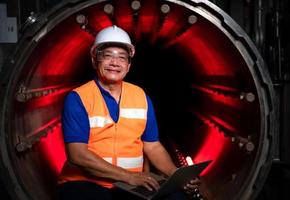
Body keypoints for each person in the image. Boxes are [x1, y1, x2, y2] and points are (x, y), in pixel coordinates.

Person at [58, 25, 200, 200]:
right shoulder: (78, 98)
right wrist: (129, 176)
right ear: (95, 60)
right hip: (85, 183)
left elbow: (152, 146)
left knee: (176, 198)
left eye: (122, 58)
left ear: (128, 65)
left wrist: (177, 175)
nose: (115, 63)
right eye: (108, 56)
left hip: (129, 186)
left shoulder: (140, 96)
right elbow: (77, 154)